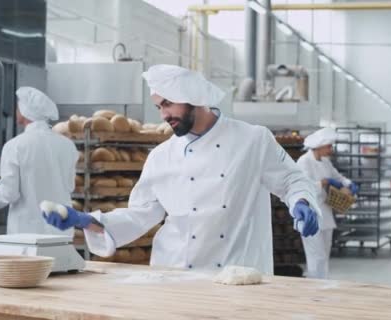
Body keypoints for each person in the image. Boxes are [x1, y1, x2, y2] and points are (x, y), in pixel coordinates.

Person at [43, 65, 321, 274]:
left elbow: (291, 180)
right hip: (174, 275)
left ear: (192, 97)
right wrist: (87, 221)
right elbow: (139, 216)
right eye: (158, 106)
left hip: (237, 276)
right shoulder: (162, 156)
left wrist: (302, 201)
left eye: (167, 104)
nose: (163, 115)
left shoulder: (253, 140)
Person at [0, 87, 78, 234]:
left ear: (25, 112)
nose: (16, 111)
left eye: (18, 107)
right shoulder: (68, 145)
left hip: (27, 233)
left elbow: (9, 194)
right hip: (60, 232)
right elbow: (69, 186)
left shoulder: (15, 146)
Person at [296, 127, 359, 279]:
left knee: (324, 254)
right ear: (319, 146)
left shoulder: (325, 162)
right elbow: (305, 188)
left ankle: (322, 283)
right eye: (329, 146)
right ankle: (314, 286)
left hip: (326, 213)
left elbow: (338, 177)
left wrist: (349, 184)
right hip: (310, 213)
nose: (331, 149)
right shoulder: (304, 162)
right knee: (315, 255)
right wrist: (324, 182)